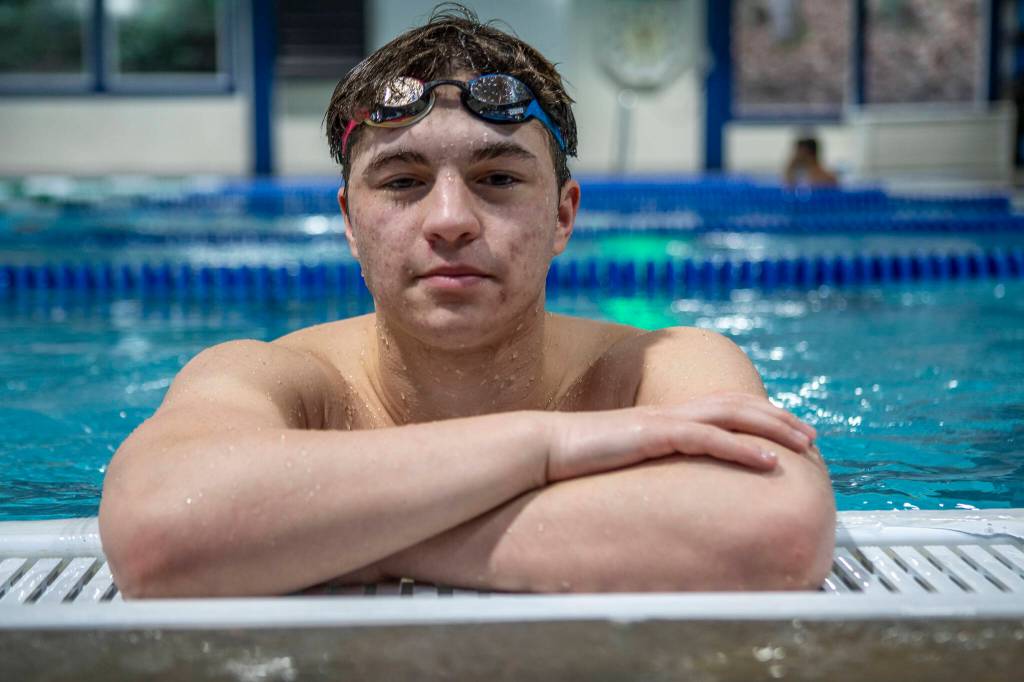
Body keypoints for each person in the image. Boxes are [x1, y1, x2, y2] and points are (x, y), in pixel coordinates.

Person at [99, 5, 835, 598]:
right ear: (350, 224)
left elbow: (777, 534)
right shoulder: (274, 376)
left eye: (498, 178)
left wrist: (322, 534)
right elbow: (157, 531)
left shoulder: (659, 367)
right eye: (402, 181)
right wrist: (544, 449)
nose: (450, 218)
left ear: (563, 218)